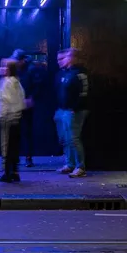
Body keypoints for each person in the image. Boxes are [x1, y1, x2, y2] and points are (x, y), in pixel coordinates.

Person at [55, 48, 90, 178]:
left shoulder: (79, 74)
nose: (60, 61)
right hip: (63, 110)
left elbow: (84, 94)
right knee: (65, 139)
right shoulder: (64, 73)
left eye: (63, 58)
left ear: (73, 58)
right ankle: (70, 164)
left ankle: (80, 167)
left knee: (73, 138)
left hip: (74, 111)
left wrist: (73, 108)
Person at [0, 58, 26, 183]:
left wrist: (0, 115)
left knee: (5, 145)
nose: (1, 69)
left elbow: (4, 102)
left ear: (10, 69)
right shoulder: (17, 81)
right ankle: (14, 171)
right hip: (16, 118)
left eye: (4, 67)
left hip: (6, 118)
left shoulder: (6, 82)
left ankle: (6, 172)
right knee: (14, 145)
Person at [10, 49, 43, 167]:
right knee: (15, 131)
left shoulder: (32, 69)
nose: (16, 62)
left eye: (17, 61)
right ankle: (16, 157)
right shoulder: (15, 68)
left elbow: (38, 85)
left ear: (23, 60)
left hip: (26, 104)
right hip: (15, 104)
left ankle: (28, 157)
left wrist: (32, 98)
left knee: (27, 131)